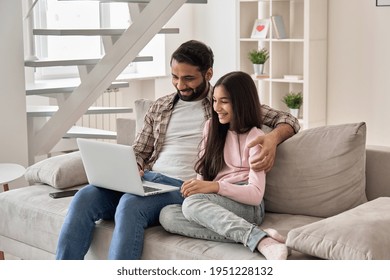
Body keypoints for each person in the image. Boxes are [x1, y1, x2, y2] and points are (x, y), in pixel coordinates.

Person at [55, 40, 299, 260]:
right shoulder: (160, 106)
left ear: (208, 73)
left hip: (183, 186)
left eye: (189, 79)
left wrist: (272, 139)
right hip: (151, 179)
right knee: (85, 197)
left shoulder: (222, 102)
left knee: (130, 204)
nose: (180, 85)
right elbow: (139, 151)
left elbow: (288, 119)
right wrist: (135, 167)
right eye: (175, 77)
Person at [159, 71, 288, 260]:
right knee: (167, 215)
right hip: (216, 199)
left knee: (192, 205)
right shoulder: (211, 127)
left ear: (241, 102)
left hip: (247, 205)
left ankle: (260, 240)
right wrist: (199, 188)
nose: (217, 107)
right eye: (215, 101)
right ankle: (258, 235)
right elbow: (203, 169)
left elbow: (255, 195)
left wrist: (214, 187)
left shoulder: (255, 138)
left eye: (224, 101)